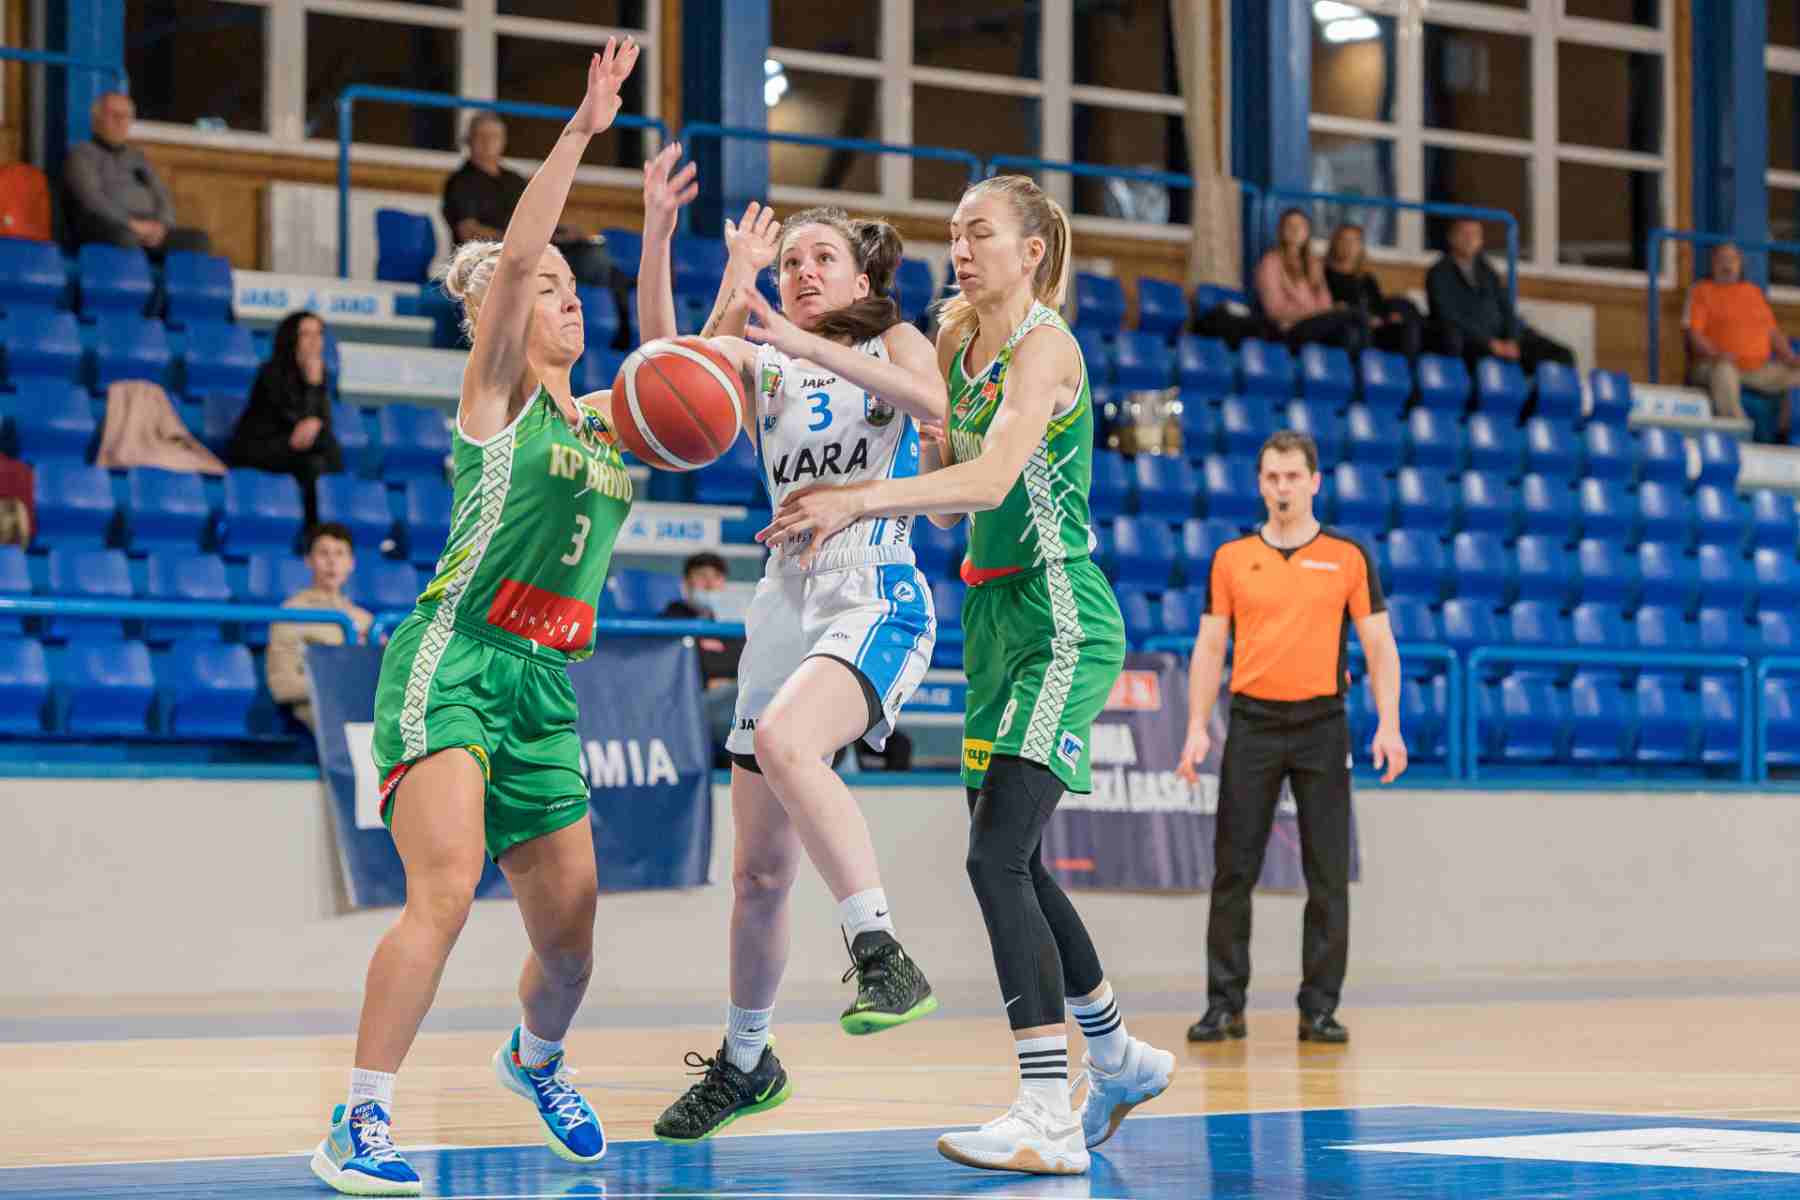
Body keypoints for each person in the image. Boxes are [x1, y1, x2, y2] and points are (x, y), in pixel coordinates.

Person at [761, 174, 1177, 1177]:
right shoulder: (955, 343)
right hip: (990, 619)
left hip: (1059, 612)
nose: (960, 248)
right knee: (1016, 860)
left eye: (979, 232)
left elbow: (991, 482)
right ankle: (1118, 1055)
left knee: (994, 861)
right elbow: (950, 507)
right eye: (953, 233)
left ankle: (1046, 1112)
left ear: (1030, 251)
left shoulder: (1047, 347)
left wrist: (858, 500)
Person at [309, 39, 641, 1198]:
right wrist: (582, 132)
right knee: (444, 892)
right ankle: (360, 1117)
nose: (565, 298)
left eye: (571, 291)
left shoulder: (608, 415)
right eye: (546, 288)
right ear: (505, 311)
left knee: (573, 939)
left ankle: (535, 1059)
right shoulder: (495, 395)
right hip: (455, 656)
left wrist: (681, 248)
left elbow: (688, 370)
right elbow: (522, 260)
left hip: (545, 681)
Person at [637, 147, 944, 1143]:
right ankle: (746, 1059)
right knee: (758, 874)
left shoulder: (895, 338)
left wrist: (803, 342)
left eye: (822, 259)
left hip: (876, 586)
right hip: (784, 601)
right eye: (790, 261)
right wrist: (672, 242)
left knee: (786, 740)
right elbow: (663, 370)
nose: (803, 272)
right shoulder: (767, 353)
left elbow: (936, 408)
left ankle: (880, 950)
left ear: (859, 278)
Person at [1179, 430, 1407, 1050]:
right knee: (1233, 870)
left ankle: (1319, 1009)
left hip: (1322, 724)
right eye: (1272, 477)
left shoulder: (1348, 556)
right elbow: (1210, 646)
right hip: (1252, 722)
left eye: (1292, 477)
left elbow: (1379, 645)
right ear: (1260, 484)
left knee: (1327, 873)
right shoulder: (1231, 558)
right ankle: (1224, 1006)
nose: (1282, 488)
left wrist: (1389, 724)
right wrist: (1196, 726)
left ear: (1315, 482)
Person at [444, 113, 612, 289]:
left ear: (503, 141)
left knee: (597, 255)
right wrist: (520, 242)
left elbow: (536, 219)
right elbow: (468, 232)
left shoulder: (514, 180)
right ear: (468, 140)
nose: (488, 142)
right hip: (490, 260)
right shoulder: (460, 182)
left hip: (531, 254)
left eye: (494, 136)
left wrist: (560, 231)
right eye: (481, 136)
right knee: (590, 261)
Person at [226, 311, 342, 529]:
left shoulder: (321, 374)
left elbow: (322, 425)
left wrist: (316, 385)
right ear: (292, 339)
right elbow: (301, 429)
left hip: (296, 449)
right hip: (259, 448)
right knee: (316, 461)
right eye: (306, 334)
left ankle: (330, 530)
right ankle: (314, 532)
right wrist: (312, 386)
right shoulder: (271, 373)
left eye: (319, 334)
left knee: (330, 451)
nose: (315, 340)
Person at [63, 91, 211, 257]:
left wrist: (162, 226)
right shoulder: (81, 154)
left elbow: (161, 194)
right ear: (96, 120)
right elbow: (91, 198)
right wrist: (131, 224)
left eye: (125, 116)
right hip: (108, 225)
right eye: (114, 115)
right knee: (126, 239)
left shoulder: (137, 158)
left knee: (198, 241)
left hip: (150, 227)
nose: (120, 121)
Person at [1427, 217, 1576, 375]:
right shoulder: (1439, 273)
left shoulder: (1488, 271)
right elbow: (1447, 316)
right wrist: (1489, 343)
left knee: (1562, 354)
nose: (1470, 239)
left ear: (1481, 240)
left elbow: (1507, 309)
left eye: (1475, 235)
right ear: (1451, 238)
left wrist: (1512, 340)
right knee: (1459, 342)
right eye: (1465, 234)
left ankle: (1533, 390)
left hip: (1502, 338)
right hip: (1471, 341)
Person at [1684, 242, 1800, 439]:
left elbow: (1772, 333)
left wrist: (1790, 357)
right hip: (1714, 365)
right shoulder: (1701, 291)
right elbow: (1694, 335)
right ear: (1713, 263)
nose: (1727, 264)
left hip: (1758, 369)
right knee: (1725, 370)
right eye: (1722, 259)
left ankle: (1784, 431)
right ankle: (1739, 436)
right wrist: (1716, 355)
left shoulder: (1753, 292)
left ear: (1740, 264)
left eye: (1732, 259)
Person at [265, 522, 374, 731]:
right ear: (309, 560)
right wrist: (337, 683)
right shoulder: (291, 613)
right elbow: (282, 687)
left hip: (367, 711)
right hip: (324, 714)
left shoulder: (366, 620)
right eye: (324, 553)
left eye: (340, 553)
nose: (332, 561)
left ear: (351, 563)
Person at [659, 551, 745, 758]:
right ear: (685, 584)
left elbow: (746, 666)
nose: (709, 584)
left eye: (716, 577)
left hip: (731, 702)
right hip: (691, 706)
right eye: (701, 576)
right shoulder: (670, 623)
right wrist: (709, 682)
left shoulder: (727, 629)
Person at [1253, 208, 1365, 352]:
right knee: (1354, 314)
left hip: (1316, 325)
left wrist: (1322, 312)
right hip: (1289, 329)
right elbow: (1274, 309)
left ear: (1307, 232)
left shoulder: (1314, 264)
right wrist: (1313, 313)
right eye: (1290, 225)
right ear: (1281, 231)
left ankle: (1360, 364)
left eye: (1301, 226)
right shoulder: (1270, 262)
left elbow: (1326, 303)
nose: (1295, 230)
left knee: (1348, 332)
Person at [1324, 223, 1428, 359]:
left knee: (1408, 327)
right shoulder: (1323, 275)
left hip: (1374, 327)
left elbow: (1379, 306)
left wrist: (1387, 317)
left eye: (1355, 241)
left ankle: (1409, 369)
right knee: (1354, 331)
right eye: (1344, 240)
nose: (1349, 246)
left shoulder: (1367, 279)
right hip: (1347, 326)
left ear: (1360, 247)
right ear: (1334, 243)